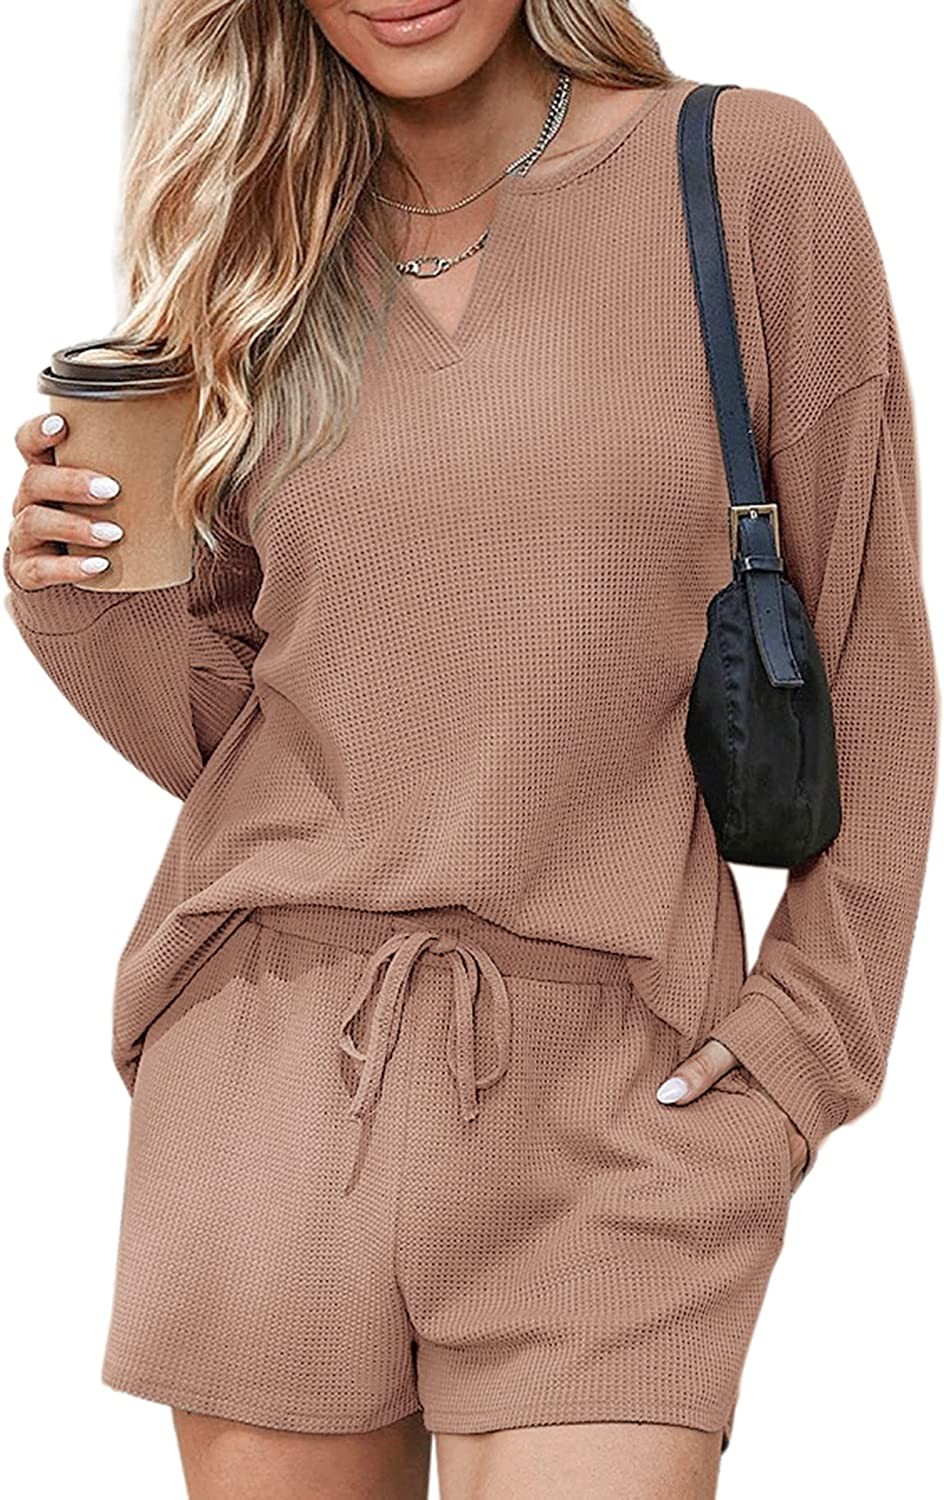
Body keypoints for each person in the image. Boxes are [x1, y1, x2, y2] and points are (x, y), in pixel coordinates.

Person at [4, 2, 937, 1497]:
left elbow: (873, 649)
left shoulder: (742, 171)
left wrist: (801, 1050)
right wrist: (75, 590)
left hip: (621, 1086)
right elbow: (230, 736)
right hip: (274, 1070)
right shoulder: (254, 240)